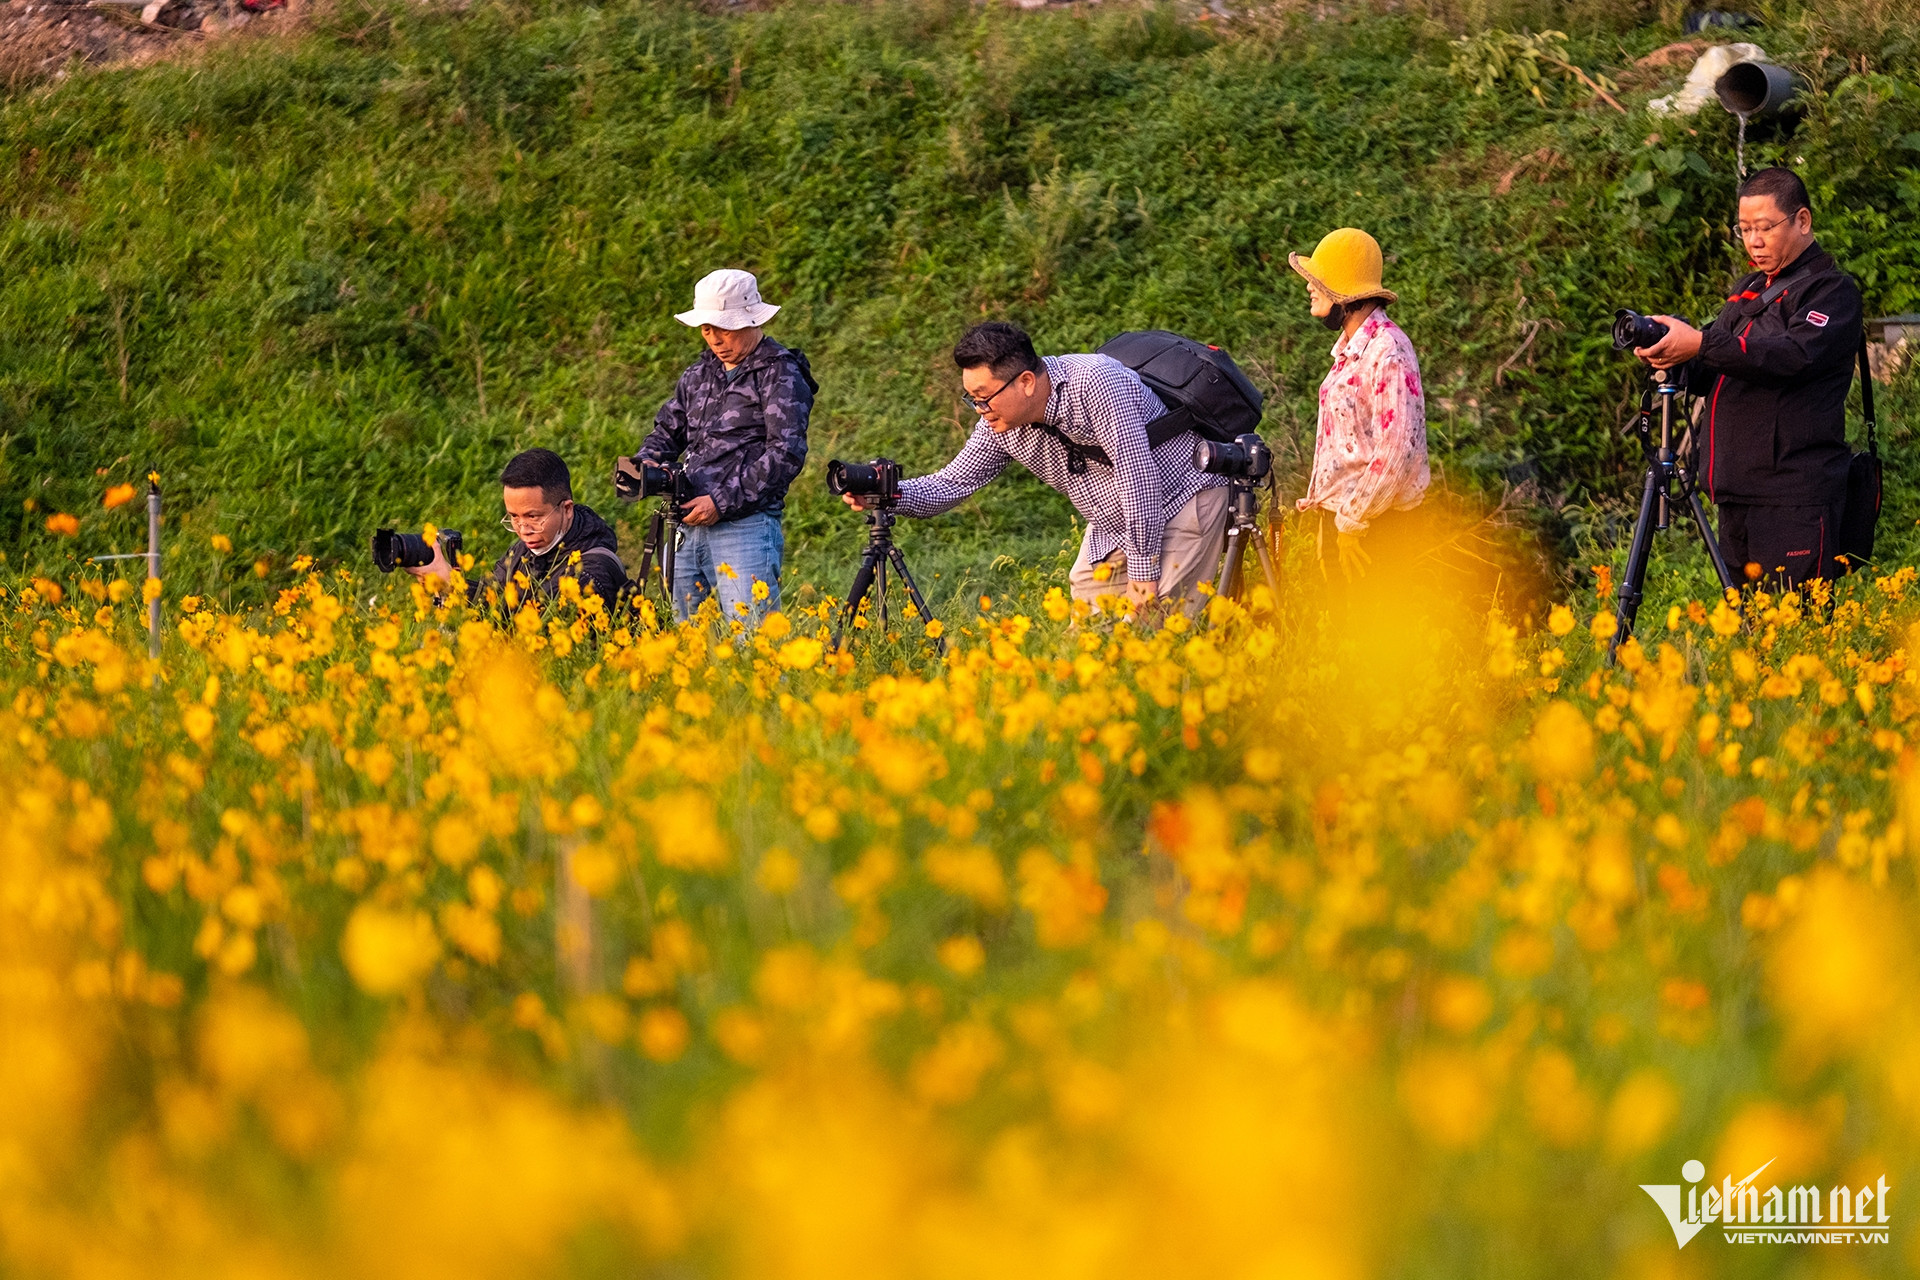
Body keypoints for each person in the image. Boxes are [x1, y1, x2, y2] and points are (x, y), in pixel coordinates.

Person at [843, 321, 1228, 611]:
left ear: (1026, 381)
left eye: (983, 397)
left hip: (1182, 501)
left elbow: (1137, 476)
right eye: (971, 398)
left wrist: (1143, 577)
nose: (979, 409)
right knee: (1089, 644)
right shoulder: (1000, 424)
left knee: (1157, 634)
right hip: (1116, 525)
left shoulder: (1096, 382)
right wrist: (888, 493)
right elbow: (953, 483)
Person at [1633, 167, 1864, 588]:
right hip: (1736, 493)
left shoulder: (1832, 292)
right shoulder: (1749, 290)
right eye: (1743, 230)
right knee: (1746, 631)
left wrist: (1701, 344)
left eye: (1764, 228)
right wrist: (1673, 355)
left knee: (1797, 631)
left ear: (1802, 220)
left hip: (1793, 496)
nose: (1754, 241)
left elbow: (1793, 356)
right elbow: (1719, 369)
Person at [638, 268, 815, 625]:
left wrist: (721, 502)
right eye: (707, 329)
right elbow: (667, 431)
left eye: (725, 328)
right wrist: (645, 467)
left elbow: (786, 453)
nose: (715, 339)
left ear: (751, 320)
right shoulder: (699, 373)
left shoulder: (779, 373)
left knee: (752, 641)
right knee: (686, 639)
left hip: (745, 527)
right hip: (685, 522)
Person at [1288, 227, 1430, 582]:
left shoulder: (1388, 350)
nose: (1309, 287)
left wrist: (1351, 520)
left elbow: (1396, 449)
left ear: (1344, 292)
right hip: (1349, 523)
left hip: (1375, 530)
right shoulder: (1350, 349)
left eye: (1317, 280)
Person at [408, 448, 627, 608]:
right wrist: (448, 585)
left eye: (533, 516)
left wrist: (455, 588)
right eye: (514, 516)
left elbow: (540, 626)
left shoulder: (593, 571)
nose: (524, 529)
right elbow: (493, 598)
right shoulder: (524, 550)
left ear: (567, 509)